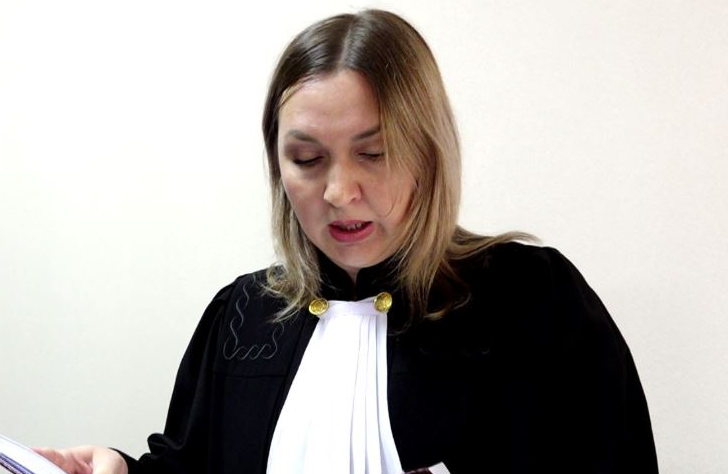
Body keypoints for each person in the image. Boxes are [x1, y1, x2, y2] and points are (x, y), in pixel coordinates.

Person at [36, 9, 658, 474]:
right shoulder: (242, 315)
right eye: (307, 159)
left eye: (374, 153)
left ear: (428, 152)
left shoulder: (532, 300)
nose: (338, 191)